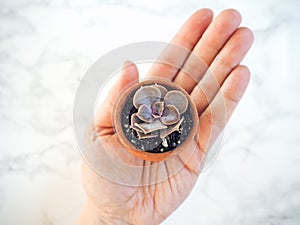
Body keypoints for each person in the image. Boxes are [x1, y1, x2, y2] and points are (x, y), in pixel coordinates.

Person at [77, 8, 254, 225]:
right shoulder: (140, 117)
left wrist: (111, 218)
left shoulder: (173, 115)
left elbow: (171, 121)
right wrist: (110, 217)